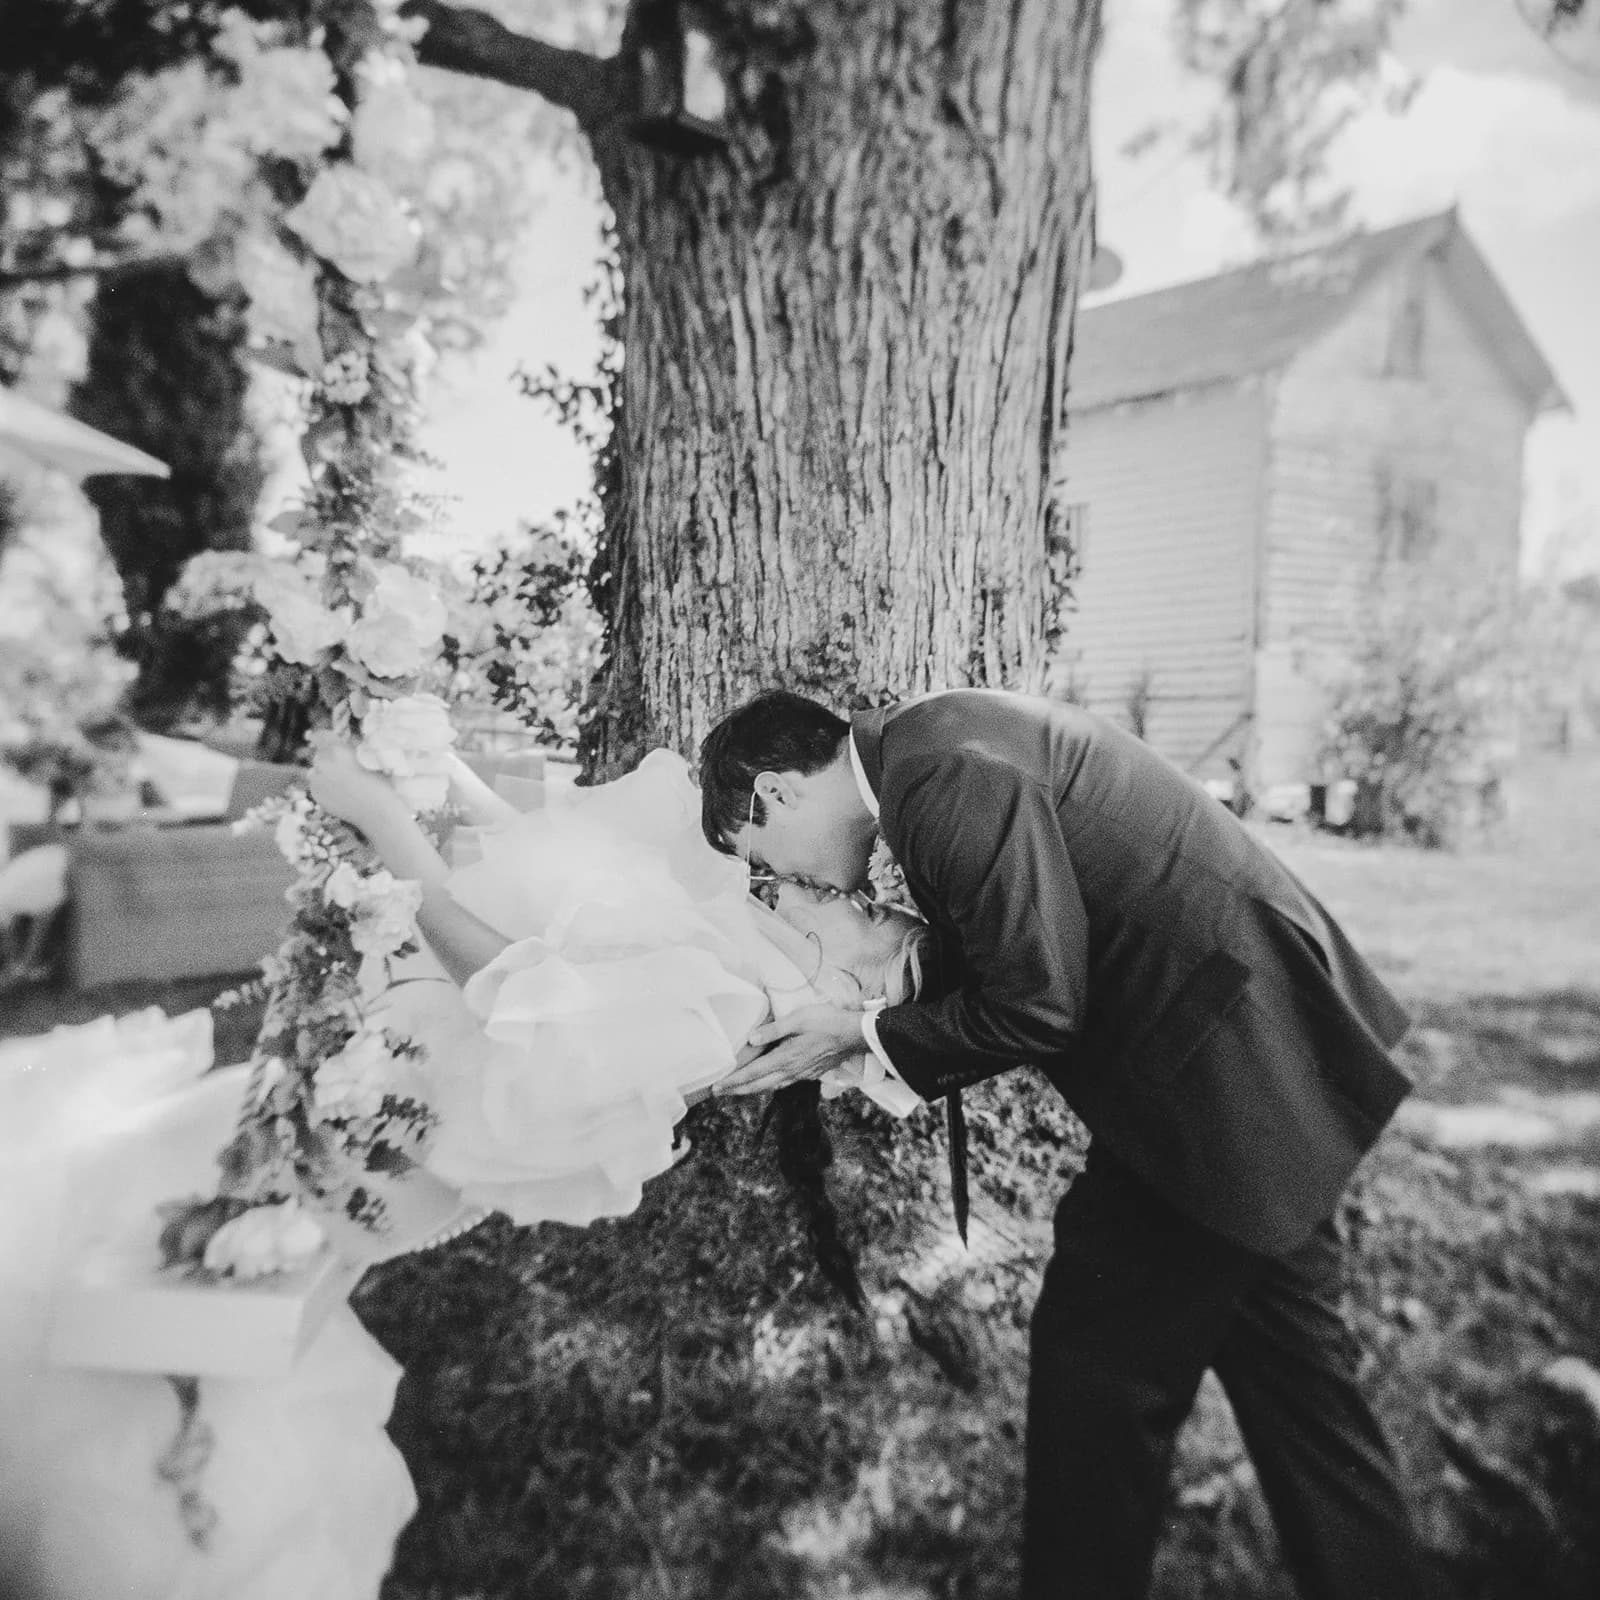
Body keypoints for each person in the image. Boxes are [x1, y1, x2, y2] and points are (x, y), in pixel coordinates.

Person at [699, 687, 1442, 1600]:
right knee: (1306, 1402)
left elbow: (1040, 1000)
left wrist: (861, 1036)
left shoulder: (940, 776)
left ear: (773, 795)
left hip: (1216, 1093)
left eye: (765, 864)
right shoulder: (934, 747)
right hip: (1254, 1069)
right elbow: (1032, 932)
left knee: (1097, 1377)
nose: (799, 889)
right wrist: (888, 985)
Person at [307, 742, 929, 1238]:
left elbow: (504, 986)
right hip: (389, 960)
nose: (859, 896)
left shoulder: (720, 1018)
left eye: (872, 918)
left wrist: (383, 822)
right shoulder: (742, 930)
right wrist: (440, 769)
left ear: (847, 995)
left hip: (388, 1059)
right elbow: (558, 865)